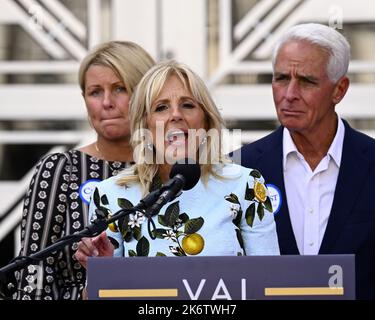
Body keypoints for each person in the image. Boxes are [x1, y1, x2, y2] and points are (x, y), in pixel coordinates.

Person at [74, 60, 279, 274]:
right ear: (145, 125)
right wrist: (103, 273)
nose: (175, 115)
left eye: (187, 105)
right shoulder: (112, 196)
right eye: (161, 107)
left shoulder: (245, 185)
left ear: (206, 121)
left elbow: (269, 283)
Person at [234, 23, 375, 299]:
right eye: (281, 78)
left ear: (339, 90)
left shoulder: (371, 164)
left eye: (307, 81)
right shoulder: (239, 169)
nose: (289, 94)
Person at [15, 41, 155, 300]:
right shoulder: (61, 170)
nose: (106, 102)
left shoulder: (172, 173)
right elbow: (31, 277)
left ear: (147, 93)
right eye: (94, 92)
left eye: (120, 89)